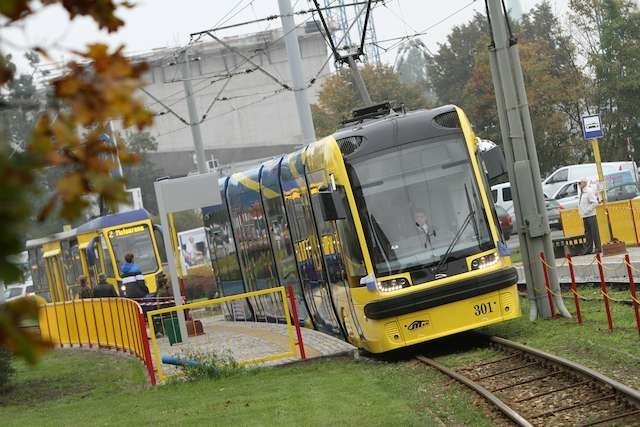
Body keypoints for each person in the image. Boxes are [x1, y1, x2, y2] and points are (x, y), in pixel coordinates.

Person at [578, 178, 601, 255]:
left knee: (594, 232)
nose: (579, 185)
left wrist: (587, 210)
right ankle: (589, 249)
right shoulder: (582, 192)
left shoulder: (589, 191)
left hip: (591, 215)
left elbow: (595, 202)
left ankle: (598, 248)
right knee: (587, 233)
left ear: (584, 183)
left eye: (580, 183)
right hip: (584, 216)